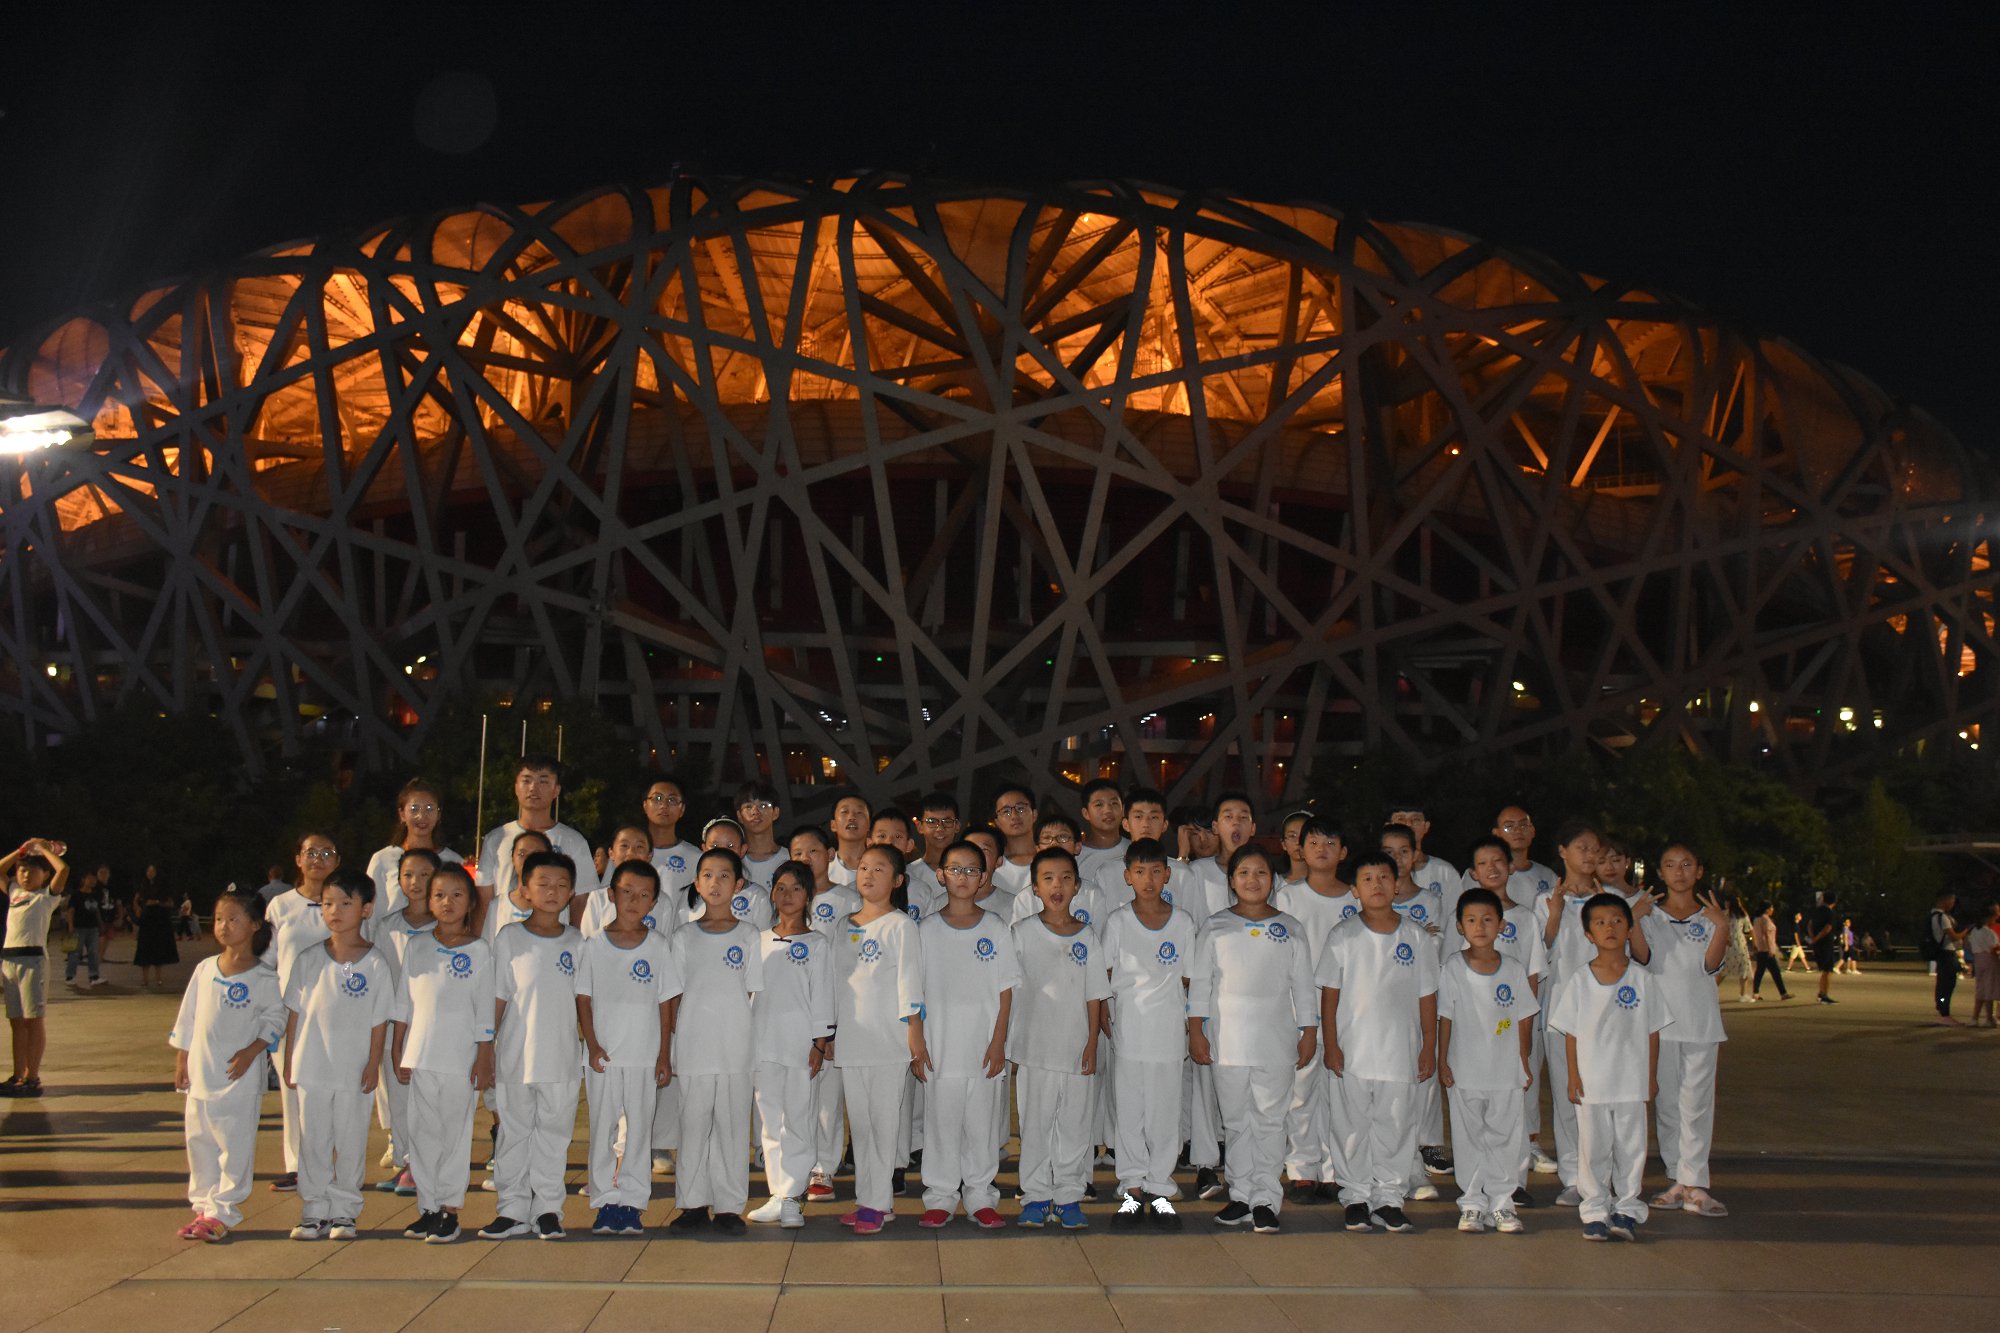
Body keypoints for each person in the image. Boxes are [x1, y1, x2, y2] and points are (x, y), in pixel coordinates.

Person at [1188, 844, 1317, 1234]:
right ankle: (1241, 1195)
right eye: (1244, 872)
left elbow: (1303, 987)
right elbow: (1200, 984)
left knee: (1270, 1121)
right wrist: (1196, 1031)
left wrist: (1309, 1031)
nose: (1252, 880)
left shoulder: (1290, 928)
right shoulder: (1215, 926)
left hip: (1276, 1042)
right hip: (1227, 1042)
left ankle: (1265, 1200)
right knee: (1236, 1121)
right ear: (1232, 880)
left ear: (1273, 879)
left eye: (1261, 872)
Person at [1319, 849, 1439, 1233]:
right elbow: (1330, 995)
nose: (1377, 885)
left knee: (1397, 1126)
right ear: (1354, 889)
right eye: (1367, 879)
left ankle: (1389, 1198)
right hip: (1353, 1051)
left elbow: (1427, 996)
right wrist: (1331, 1044)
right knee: (1350, 1126)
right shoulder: (1343, 935)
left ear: (1397, 885)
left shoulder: (1416, 937)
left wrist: (1428, 1046)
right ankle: (1355, 1196)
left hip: (1400, 1052)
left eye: (1384, 877)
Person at [1547, 893, 1671, 1242]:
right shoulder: (1580, 979)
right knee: (1593, 1148)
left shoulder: (1642, 979)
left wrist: (1650, 1076)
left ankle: (1627, 1208)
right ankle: (1594, 1210)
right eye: (1600, 923)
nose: (1610, 928)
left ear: (1630, 928)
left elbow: (1653, 1032)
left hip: (1630, 1080)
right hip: (1593, 1081)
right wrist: (1573, 1075)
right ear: (1589, 934)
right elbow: (1571, 1032)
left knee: (1631, 1147)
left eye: (1617, 921)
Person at [283, 869, 394, 1241]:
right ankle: (314, 1209)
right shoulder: (308, 959)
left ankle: (345, 1210)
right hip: (312, 1066)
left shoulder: (375, 963)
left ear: (366, 909)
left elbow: (379, 1020)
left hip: (353, 1068)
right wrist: (290, 1060)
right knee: (313, 1140)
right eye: (328, 903)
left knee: (349, 1140)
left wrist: (373, 1063)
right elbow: (294, 1013)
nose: (335, 911)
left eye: (346, 903)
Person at [479, 850, 584, 1241]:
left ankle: (548, 1210)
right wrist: (485, 1049)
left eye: (561, 885)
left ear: (571, 892)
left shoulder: (577, 941)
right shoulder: (510, 938)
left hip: (561, 1059)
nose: (552, 891)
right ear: (524, 889)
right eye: (543, 883)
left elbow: (584, 1000)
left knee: (554, 1137)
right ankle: (512, 1210)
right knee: (514, 1135)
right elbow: (496, 997)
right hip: (515, 1057)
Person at [170, 887, 285, 1241]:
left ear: (254, 925)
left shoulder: (264, 977)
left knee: (234, 1147)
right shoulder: (205, 969)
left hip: (238, 1080)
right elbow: (188, 1018)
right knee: (199, 1143)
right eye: (219, 918)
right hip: (201, 1076)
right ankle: (203, 1208)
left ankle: (223, 1211)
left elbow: (276, 1019)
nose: (223, 925)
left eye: (233, 919)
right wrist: (183, 1058)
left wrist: (253, 1051)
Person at [390, 864, 495, 1244]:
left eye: (456, 895)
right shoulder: (416, 947)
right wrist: (398, 1049)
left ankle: (450, 1210)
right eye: (439, 895)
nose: (447, 902)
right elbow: (403, 1003)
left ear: (470, 903)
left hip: (459, 1060)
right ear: (429, 901)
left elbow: (485, 1010)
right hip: (421, 1056)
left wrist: (484, 1056)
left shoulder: (479, 950)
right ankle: (428, 1208)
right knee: (422, 1136)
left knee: (454, 1136)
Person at [916, 840, 1018, 1228]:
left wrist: (998, 1042)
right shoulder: (926, 930)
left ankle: (980, 1194)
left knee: (981, 1125)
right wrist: (918, 1042)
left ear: (984, 877)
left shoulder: (996, 927)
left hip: (982, 1047)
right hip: (939, 1045)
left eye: (971, 870)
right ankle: (941, 1195)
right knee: (941, 1124)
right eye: (955, 869)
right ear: (940, 875)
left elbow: (1006, 990)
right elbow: (913, 991)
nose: (963, 877)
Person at [579, 858, 682, 1237]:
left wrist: (663, 1053)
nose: (634, 901)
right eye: (627, 892)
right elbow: (583, 999)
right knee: (603, 1130)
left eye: (643, 895)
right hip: (604, 1057)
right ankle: (605, 1201)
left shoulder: (657, 945)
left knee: (639, 1132)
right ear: (611, 895)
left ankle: (633, 1202)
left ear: (653, 902)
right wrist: (592, 1045)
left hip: (644, 1055)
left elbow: (666, 1001)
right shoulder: (593, 946)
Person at [1010, 846, 1108, 1230]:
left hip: (1075, 1047)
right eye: (1048, 878)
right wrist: (1009, 1043)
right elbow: (1008, 992)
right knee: (1035, 1125)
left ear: (1077, 886)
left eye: (1066, 878)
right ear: (1035, 888)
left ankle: (1068, 1196)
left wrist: (1092, 1043)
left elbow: (1094, 994)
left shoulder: (1088, 937)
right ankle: (1036, 1196)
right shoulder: (1021, 933)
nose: (1058, 886)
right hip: (1034, 1047)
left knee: (1074, 1125)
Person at [1629, 844, 1730, 1218]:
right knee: (1668, 1105)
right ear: (1660, 872)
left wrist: (1722, 927)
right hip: (1660, 1024)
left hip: (1701, 1024)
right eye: (1670, 865)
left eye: (1687, 864)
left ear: (1699, 871)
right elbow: (1642, 957)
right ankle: (1677, 1178)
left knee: (1697, 1105)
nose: (1679, 871)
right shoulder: (1649, 915)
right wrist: (1634, 920)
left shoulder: (1711, 916)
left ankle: (1695, 1183)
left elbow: (1711, 966)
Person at [832, 843, 928, 1235]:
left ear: (898, 880)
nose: (868, 875)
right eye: (864, 867)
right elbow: (836, 982)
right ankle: (871, 1201)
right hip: (852, 1039)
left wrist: (915, 1034)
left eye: (879, 869)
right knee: (862, 1126)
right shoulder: (843, 925)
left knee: (884, 1124)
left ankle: (877, 1202)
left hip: (888, 1041)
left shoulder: (901, 925)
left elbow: (911, 981)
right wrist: (829, 1031)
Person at [1101, 838, 1193, 1229]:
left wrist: (1192, 1026)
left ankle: (1159, 1189)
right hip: (1130, 1031)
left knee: (1164, 1114)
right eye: (1140, 872)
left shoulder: (1183, 922)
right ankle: (1132, 1189)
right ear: (1128, 877)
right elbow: (1105, 974)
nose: (1149, 879)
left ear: (1167, 874)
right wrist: (1105, 1016)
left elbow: (1190, 978)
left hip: (1168, 1032)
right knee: (1130, 1113)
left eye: (1156, 871)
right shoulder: (1118, 921)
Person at [1437, 887, 1536, 1233]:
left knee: (1504, 1138)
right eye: (1471, 920)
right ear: (1460, 926)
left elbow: (1523, 1017)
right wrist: (1443, 1061)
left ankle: (1502, 1204)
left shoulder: (1514, 969)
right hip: (1465, 1070)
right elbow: (1445, 1017)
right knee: (1468, 1137)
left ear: (1501, 925)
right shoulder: (1453, 967)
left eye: (1488, 919)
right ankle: (1472, 1204)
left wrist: (1523, 1061)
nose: (1480, 927)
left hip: (1504, 1071)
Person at [748, 862, 832, 1229]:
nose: (787, 895)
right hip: (762, 1043)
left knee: (799, 1119)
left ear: (808, 895)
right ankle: (777, 1192)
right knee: (770, 1122)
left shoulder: (817, 943)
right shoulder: (757, 940)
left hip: (800, 1045)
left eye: (796, 888)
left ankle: (793, 1196)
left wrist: (819, 1043)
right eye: (780, 888)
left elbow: (824, 996)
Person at [1274, 815, 1353, 1203]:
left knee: (1340, 1092)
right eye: (1314, 843)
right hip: (1301, 1007)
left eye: (1331, 842)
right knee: (1302, 1092)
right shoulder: (1287, 897)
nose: (1322, 849)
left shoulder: (1356, 898)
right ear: (1300, 850)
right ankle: (1302, 1169)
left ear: (1344, 852)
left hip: (1347, 1010)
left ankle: (1336, 1170)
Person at [266, 832, 340, 1191]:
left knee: (334, 1092)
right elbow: (267, 960)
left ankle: (332, 1163)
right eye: (311, 852)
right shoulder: (281, 906)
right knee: (292, 1089)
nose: (318, 859)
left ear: (337, 862)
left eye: (327, 853)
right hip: (290, 1013)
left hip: (336, 1012)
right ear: (298, 859)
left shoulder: (346, 904)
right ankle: (297, 1165)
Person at [789, 823, 859, 1199]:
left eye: (812, 851)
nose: (805, 859)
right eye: (797, 853)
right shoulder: (786, 897)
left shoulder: (848, 899)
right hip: (794, 1009)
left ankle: (823, 1168)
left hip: (833, 1009)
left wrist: (836, 1023)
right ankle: (794, 1164)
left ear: (830, 855)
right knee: (798, 1093)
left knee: (828, 1097)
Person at [369, 848, 442, 1195]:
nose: (416, 882)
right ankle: (405, 1163)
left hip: (431, 1030)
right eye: (409, 875)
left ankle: (425, 1166)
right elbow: (375, 973)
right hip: (393, 1029)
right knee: (398, 1099)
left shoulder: (445, 927)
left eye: (425, 875)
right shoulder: (387, 926)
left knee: (428, 1102)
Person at [476, 756, 593, 936]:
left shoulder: (574, 841)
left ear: (556, 790)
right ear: (516, 787)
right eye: (526, 780)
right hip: (502, 937)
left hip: (553, 940)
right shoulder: (496, 838)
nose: (533, 788)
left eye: (543, 781)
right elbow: (483, 902)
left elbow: (581, 903)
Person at [3, 839, 70, 1097]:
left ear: (44, 875)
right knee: (16, 1022)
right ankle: (18, 1074)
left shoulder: (46, 897)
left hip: (33, 960)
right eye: (22, 870)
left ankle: (33, 1077)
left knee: (33, 1019)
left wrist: (42, 849)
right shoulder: (14, 892)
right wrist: (21, 850)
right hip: (10, 959)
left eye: (32, 871)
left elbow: (63, 869)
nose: (25, 875)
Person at [366, 778, 462, 919]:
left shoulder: (453, 861)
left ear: (438, 814)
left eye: (429, 809)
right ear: (402, 814)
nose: (421, 816)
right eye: (414, 809)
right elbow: (370, 914)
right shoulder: (383, 859)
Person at [641, 776, 700, 901]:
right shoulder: (628, 852)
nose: (664, 805)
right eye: (657, 798)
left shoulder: (695, 857)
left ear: (682, 809)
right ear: (645, 805)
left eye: (672, 800)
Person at [734, 780, 789, 891]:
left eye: (763, 805)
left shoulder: (789, 858)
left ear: (775, 812)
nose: (755, 812)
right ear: (739, 815)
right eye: (748, 807)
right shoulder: (733, 860)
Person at [132, 865, 179, 988]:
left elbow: (170, 903)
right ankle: (145, 979)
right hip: (147, 920)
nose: (150, 873)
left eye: (152, 871)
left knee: (159, 950)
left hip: (160, 920)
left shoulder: (163, 886)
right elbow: (136, 900)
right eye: (148, 870)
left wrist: (158, 902)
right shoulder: (143, 885)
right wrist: (138, 908)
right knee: (144, 949)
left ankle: (159, 979)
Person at [1926, 892, 1970, 1025]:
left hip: (1940, 953)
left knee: (1942, 984)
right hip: (1947, 954)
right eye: (1952, 901)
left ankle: (1942, 1009)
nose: (1952, 905)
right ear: (1945, 901)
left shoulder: (1932, 915)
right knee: (1947, 985)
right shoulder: (1942, 917)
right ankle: (1945, 1013)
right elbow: (1953, 937)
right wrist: (1965, 932)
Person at [65, 866, 111, 988]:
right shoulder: (76, 895)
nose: (92, 881)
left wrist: (100, 923)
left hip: (93, 928)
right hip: (79, 927)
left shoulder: (96, 894)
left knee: (93, 953)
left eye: (94, 879)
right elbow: (70, 911)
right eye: (90, 879)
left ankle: (94, 976)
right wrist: (70, 926)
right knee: (75, 953)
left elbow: (97, 910)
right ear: (83, 880)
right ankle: (70, 976)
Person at [1967, 902, 1999, 1028]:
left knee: (1980, 989)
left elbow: (1970, 946)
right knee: (1989, 989)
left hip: (1978, 961)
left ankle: (1975, 1018)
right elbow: (1993, 949)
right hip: (1990, 961)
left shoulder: (1974, 931)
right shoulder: (1988, 932)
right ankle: (1989, 1018)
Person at [1750, 903, 1791, 1000]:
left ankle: (1756, 992)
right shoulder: (1765, 919)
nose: (1772, 910)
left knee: (1760, 971)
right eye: (1771, 908)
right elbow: (1767, 934)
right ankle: (1783, 993)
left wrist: (1755, 946)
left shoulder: (1756, 919)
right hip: (1766, 949)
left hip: (1760, 948)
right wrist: (1770, 949)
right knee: (1775, 972)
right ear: (1767, 909)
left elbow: (1755, 933)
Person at [1807, 894, 1840, 1005]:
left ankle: (1821, 993)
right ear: (1834, 902)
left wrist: (1813, 937)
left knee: (1825, 969)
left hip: (1817, 944)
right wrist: (1817, 938)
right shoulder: (1830, 913)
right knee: (1828, 970)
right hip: (1826, 943)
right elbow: (1828, 928)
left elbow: (1810, 924)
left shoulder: (1816, 911)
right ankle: (1824, 994)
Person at [1722, 896, 1754, 1001]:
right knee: (1744, 967)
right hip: (1739, 943)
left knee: (1724, 969)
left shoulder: (1725, 914)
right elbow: (1749, 929)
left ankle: (1711, 991)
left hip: (1729, 943)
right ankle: (1743, 994)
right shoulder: (1741, 915)